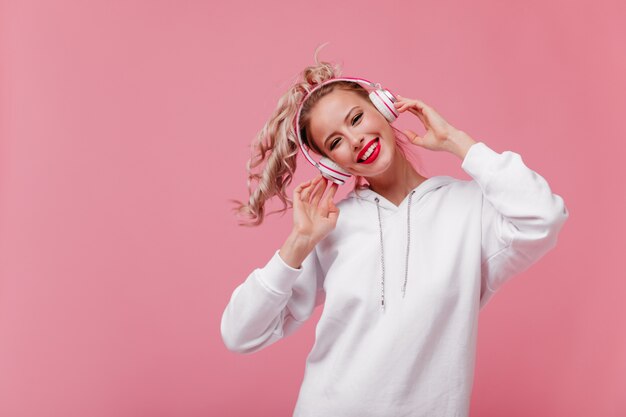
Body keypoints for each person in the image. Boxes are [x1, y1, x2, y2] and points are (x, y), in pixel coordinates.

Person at [220, 52, 569, 417]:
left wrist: (456, 141)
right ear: (329, 163)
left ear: (384, 108)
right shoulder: (331, 227)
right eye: (335, 142)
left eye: (356, 118)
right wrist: (298, 244)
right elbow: (240, 333)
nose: (354, 140)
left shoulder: (470, 209)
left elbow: (544, 217)